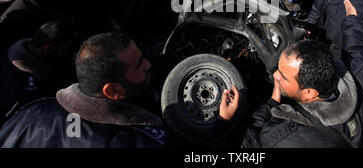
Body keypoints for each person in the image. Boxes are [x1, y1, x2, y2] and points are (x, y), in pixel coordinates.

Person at [0, 32, 236, 147]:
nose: (148, 65)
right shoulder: (135, 142)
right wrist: (220, 124)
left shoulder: (31, 112)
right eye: (138, 65)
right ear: (112, 91)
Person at [231, 0, 363, 148]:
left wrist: (225, 121)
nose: (275, 75)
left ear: (310, 93)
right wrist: (352, 19)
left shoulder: (288, 140)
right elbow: (358, 46)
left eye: (283, 76)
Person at [0, 20, 73, 123]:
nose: (66, 52)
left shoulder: (7, 52)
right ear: (48, 49)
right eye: (65, 48)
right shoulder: (19, 89)